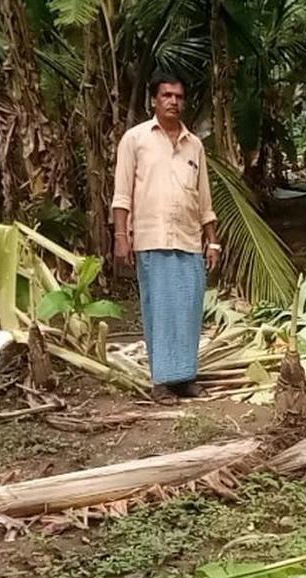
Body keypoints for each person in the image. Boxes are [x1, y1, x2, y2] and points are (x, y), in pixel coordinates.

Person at [112, 71, 221, 404]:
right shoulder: (135, 139)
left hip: (189, 239)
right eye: (166, 95)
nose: (173, 101)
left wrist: (212, 240)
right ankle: (161, 381)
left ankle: (185, 377)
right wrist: (121, 234)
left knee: (188, 309)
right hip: (151, 237)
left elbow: (204, 199)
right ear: (154, 100)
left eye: (178, 96)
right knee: (158, 309)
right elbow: (122, 192)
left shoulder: (195, 145)